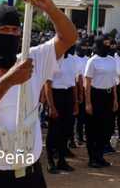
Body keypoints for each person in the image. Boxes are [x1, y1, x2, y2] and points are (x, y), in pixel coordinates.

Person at [0, 0, 76, 188]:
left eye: (15, 30)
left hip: (28, 176)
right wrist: (9, 80)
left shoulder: (32, 60)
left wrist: (50, 8)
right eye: (3, 30)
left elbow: (68, 38)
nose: (10, 35)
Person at [84, 35, 118, 168]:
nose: (108, 45)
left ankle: (100, 156)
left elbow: (114, 81)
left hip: (108, 95)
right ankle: (93, 158)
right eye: (105, 43)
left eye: (109, 43)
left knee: (106, 128)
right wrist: (88, 102)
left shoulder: (112, 60)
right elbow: (87, 83)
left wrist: (115, 99)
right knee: (94, 129)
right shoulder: (92, 61)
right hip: (95, 95)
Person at [44, 43, 78, 174]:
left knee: (66, 130)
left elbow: (73, 83)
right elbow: (47, 84)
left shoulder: (72, 60)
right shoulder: (52, 61)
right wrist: (51, 106)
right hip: (55, 96)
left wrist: (75, 102)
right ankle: (50, 161)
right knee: (53, 131)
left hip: (68, 95)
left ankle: (62, 160)